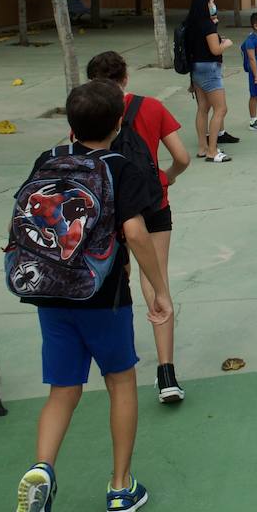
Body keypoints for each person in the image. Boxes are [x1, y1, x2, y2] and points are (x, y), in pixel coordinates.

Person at [10, 81, 173, 512]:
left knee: (63, 390)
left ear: (70, 125)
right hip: (103, 296)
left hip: (49, 293)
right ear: (120, 123)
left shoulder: (48, 161)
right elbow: (136, 234)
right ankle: (121, 488)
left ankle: (42, 470)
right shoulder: (122, 168)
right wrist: (159, 289)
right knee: (120, 382)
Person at [85, 51, 191, 404]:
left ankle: (116, 368)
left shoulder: (87, 113)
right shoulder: (151, 108)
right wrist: (166, 180)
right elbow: (182, 158)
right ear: (125, 77)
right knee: (155, 280)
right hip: (152, 203)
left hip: (109, 209)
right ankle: (167, 374)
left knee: (114, 280)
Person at [185, 0, 236, 162]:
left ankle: (202, 147)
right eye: (212, 2)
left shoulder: (190, 24)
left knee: (203, 108)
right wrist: (226, 44)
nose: (214, 5)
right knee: (221, 109)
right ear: (205, 5)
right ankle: (212, 151)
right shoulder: (207, 25)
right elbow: (215, 50)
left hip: (196, 69)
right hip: (210, 70)